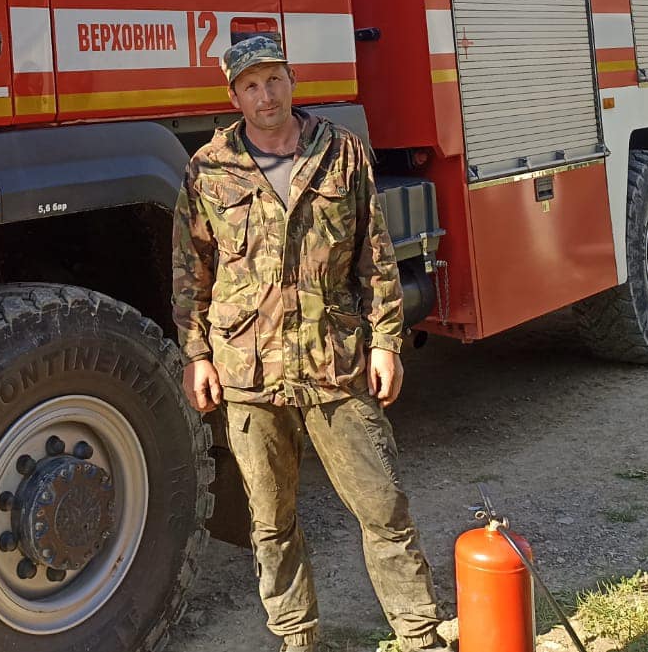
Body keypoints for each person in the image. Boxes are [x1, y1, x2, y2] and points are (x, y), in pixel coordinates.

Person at [172, 34, 444, 651]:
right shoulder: (209, 168)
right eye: (249, 85)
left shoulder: (341, 153)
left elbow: (376, 258)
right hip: (247, 370)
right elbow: (191, 273)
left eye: (273, 80)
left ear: (292, 80)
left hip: (336, 363)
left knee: (384, 509)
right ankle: (298, 641)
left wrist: (385, 343)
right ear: (234, 95)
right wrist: (196, 356)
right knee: (271, 524)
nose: (263, 96)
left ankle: (420, 635)